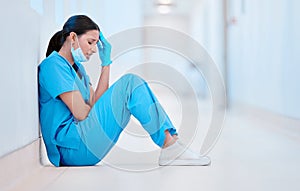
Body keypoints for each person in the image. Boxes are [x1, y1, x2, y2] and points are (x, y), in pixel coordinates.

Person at [38, 15, 210, 167]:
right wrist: (98, 110)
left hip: (83, 141)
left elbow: (95, 104)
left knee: (131, 85)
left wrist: (106, 64)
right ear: (73, 37)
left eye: (96, 45)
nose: (93, 50)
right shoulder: (53, 65)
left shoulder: (79, 70)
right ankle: (169, 145)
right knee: (129, 83)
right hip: (72, 148)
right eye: (90, 42)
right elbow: (83, 114)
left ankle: (171, 142)